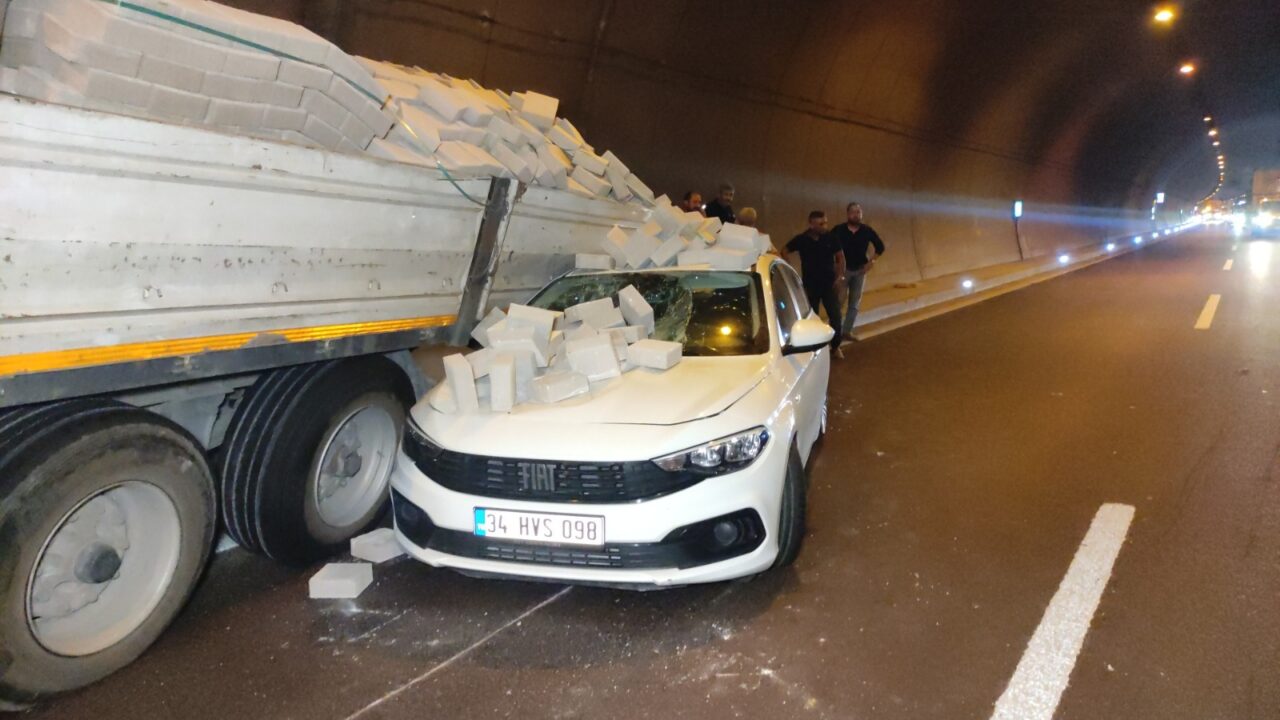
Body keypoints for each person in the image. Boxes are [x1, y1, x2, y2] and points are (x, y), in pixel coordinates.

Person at [785, 211, 844, 357]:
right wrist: (791, 268)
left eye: (825, 223)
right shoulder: (802, 239)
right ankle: (815, 350)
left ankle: (835, 346)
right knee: (813, 317)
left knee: (835, 315)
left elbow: (840, 257)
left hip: (829, 284)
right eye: (820, 224)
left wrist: (839, 277)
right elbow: (785, 250)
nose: (824, 226)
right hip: (810, 285)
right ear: (811, 224)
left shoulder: (831, 238)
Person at [829, 202, 885, 340]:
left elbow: (880, 246)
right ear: (848, 214)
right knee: (839, 302)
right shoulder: (838, 230)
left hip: (860, 270)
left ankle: (847, 331)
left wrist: (871, 262)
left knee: (854, 303)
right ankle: (833, 333)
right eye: (853, 212)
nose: (856, 215)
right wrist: (835, 266)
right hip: (843, 271)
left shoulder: (867, 230)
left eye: (859, 212)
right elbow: (827, 246)